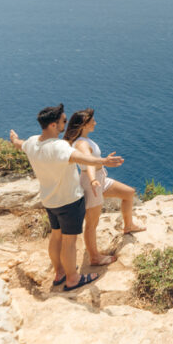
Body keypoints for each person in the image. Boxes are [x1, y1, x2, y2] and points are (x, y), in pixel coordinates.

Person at [9, 103, 124, 291]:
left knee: (56, 236)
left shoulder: (31, 142)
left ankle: (59, 272)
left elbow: (18, 144)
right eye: (63, 120)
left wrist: (14, 138)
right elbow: (82, 159)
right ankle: (73, 279)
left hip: (49, 200)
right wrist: (104, 161)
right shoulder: (59, 146)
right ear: (53, 125)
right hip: (69, 201)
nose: (65, 123)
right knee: (69, 241)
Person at [62, 108, 144, 266]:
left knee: (128, 193)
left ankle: (128, 225)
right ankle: (94, 257)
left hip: (101, 179)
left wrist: (105, 161)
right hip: (91, 182)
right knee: (92, 223)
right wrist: (93, 181)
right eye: (92, 120)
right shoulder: (81, 144)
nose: (95, 122)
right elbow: (88, 162)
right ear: (84, 124)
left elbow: (93, 160)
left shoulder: (84, 140)